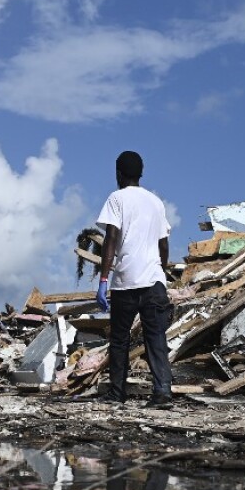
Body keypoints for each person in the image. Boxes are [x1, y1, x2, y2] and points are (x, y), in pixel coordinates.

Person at [95, 150, 174, 408]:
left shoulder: (116, 198)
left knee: (119, 339)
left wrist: (104, 279)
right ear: (141, 173)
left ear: (118, 173)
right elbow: (164, 244)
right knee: (156, 338)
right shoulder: (156, 202)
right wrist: (162, 271)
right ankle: (162, 392)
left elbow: (111, 239)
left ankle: (117, 392)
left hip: (126, 282)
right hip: (153, 281)